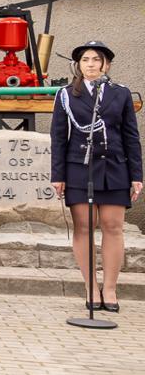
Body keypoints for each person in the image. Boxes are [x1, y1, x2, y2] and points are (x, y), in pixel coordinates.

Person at [50, 40, 140, 313]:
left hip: (115, 168)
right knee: (84, 227)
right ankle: (90, 287)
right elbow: (58, 137)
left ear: (106, 65)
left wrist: (137, 175)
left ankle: (110, 289)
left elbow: (131, 137)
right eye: (86, 59)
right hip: (79, 168)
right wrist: (58, 175)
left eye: (96, 60)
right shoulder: (66, 94)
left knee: (113, 227)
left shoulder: (120, 93)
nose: (91, 64)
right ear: (78, 65)